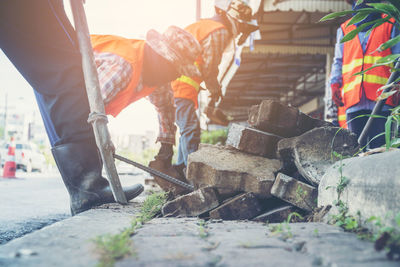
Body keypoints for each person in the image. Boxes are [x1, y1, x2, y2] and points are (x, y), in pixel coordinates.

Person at [0, 0, 201, 215]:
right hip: (61, 88)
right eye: (176, 68)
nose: (178, 75)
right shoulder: (125, 66)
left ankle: (91, 189)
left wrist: (166, 146)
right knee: (76, 106)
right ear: (162, 58)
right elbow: (87, 108)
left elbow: (165, 107)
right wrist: (103, 142)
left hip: (63, 78)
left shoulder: (156, 74)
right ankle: (88, 189)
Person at [149, 0, 258, 179]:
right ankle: (188, 174)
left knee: (188, 129)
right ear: (236, 21)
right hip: (180, 85)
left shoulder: (203, 25)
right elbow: (210, 66)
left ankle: (182, 169)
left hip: (177, 85)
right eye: (242, 28)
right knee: (190, 129)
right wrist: (215, 90)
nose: (240, 33)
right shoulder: (219, 31)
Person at [330, 0, 400, 149]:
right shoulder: (344, 29)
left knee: (379, 149)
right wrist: (334, 82)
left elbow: (397, 58)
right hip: (354, 100)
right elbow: (338, 60)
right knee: (355, 148)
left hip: (381, 99)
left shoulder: (389, 23)